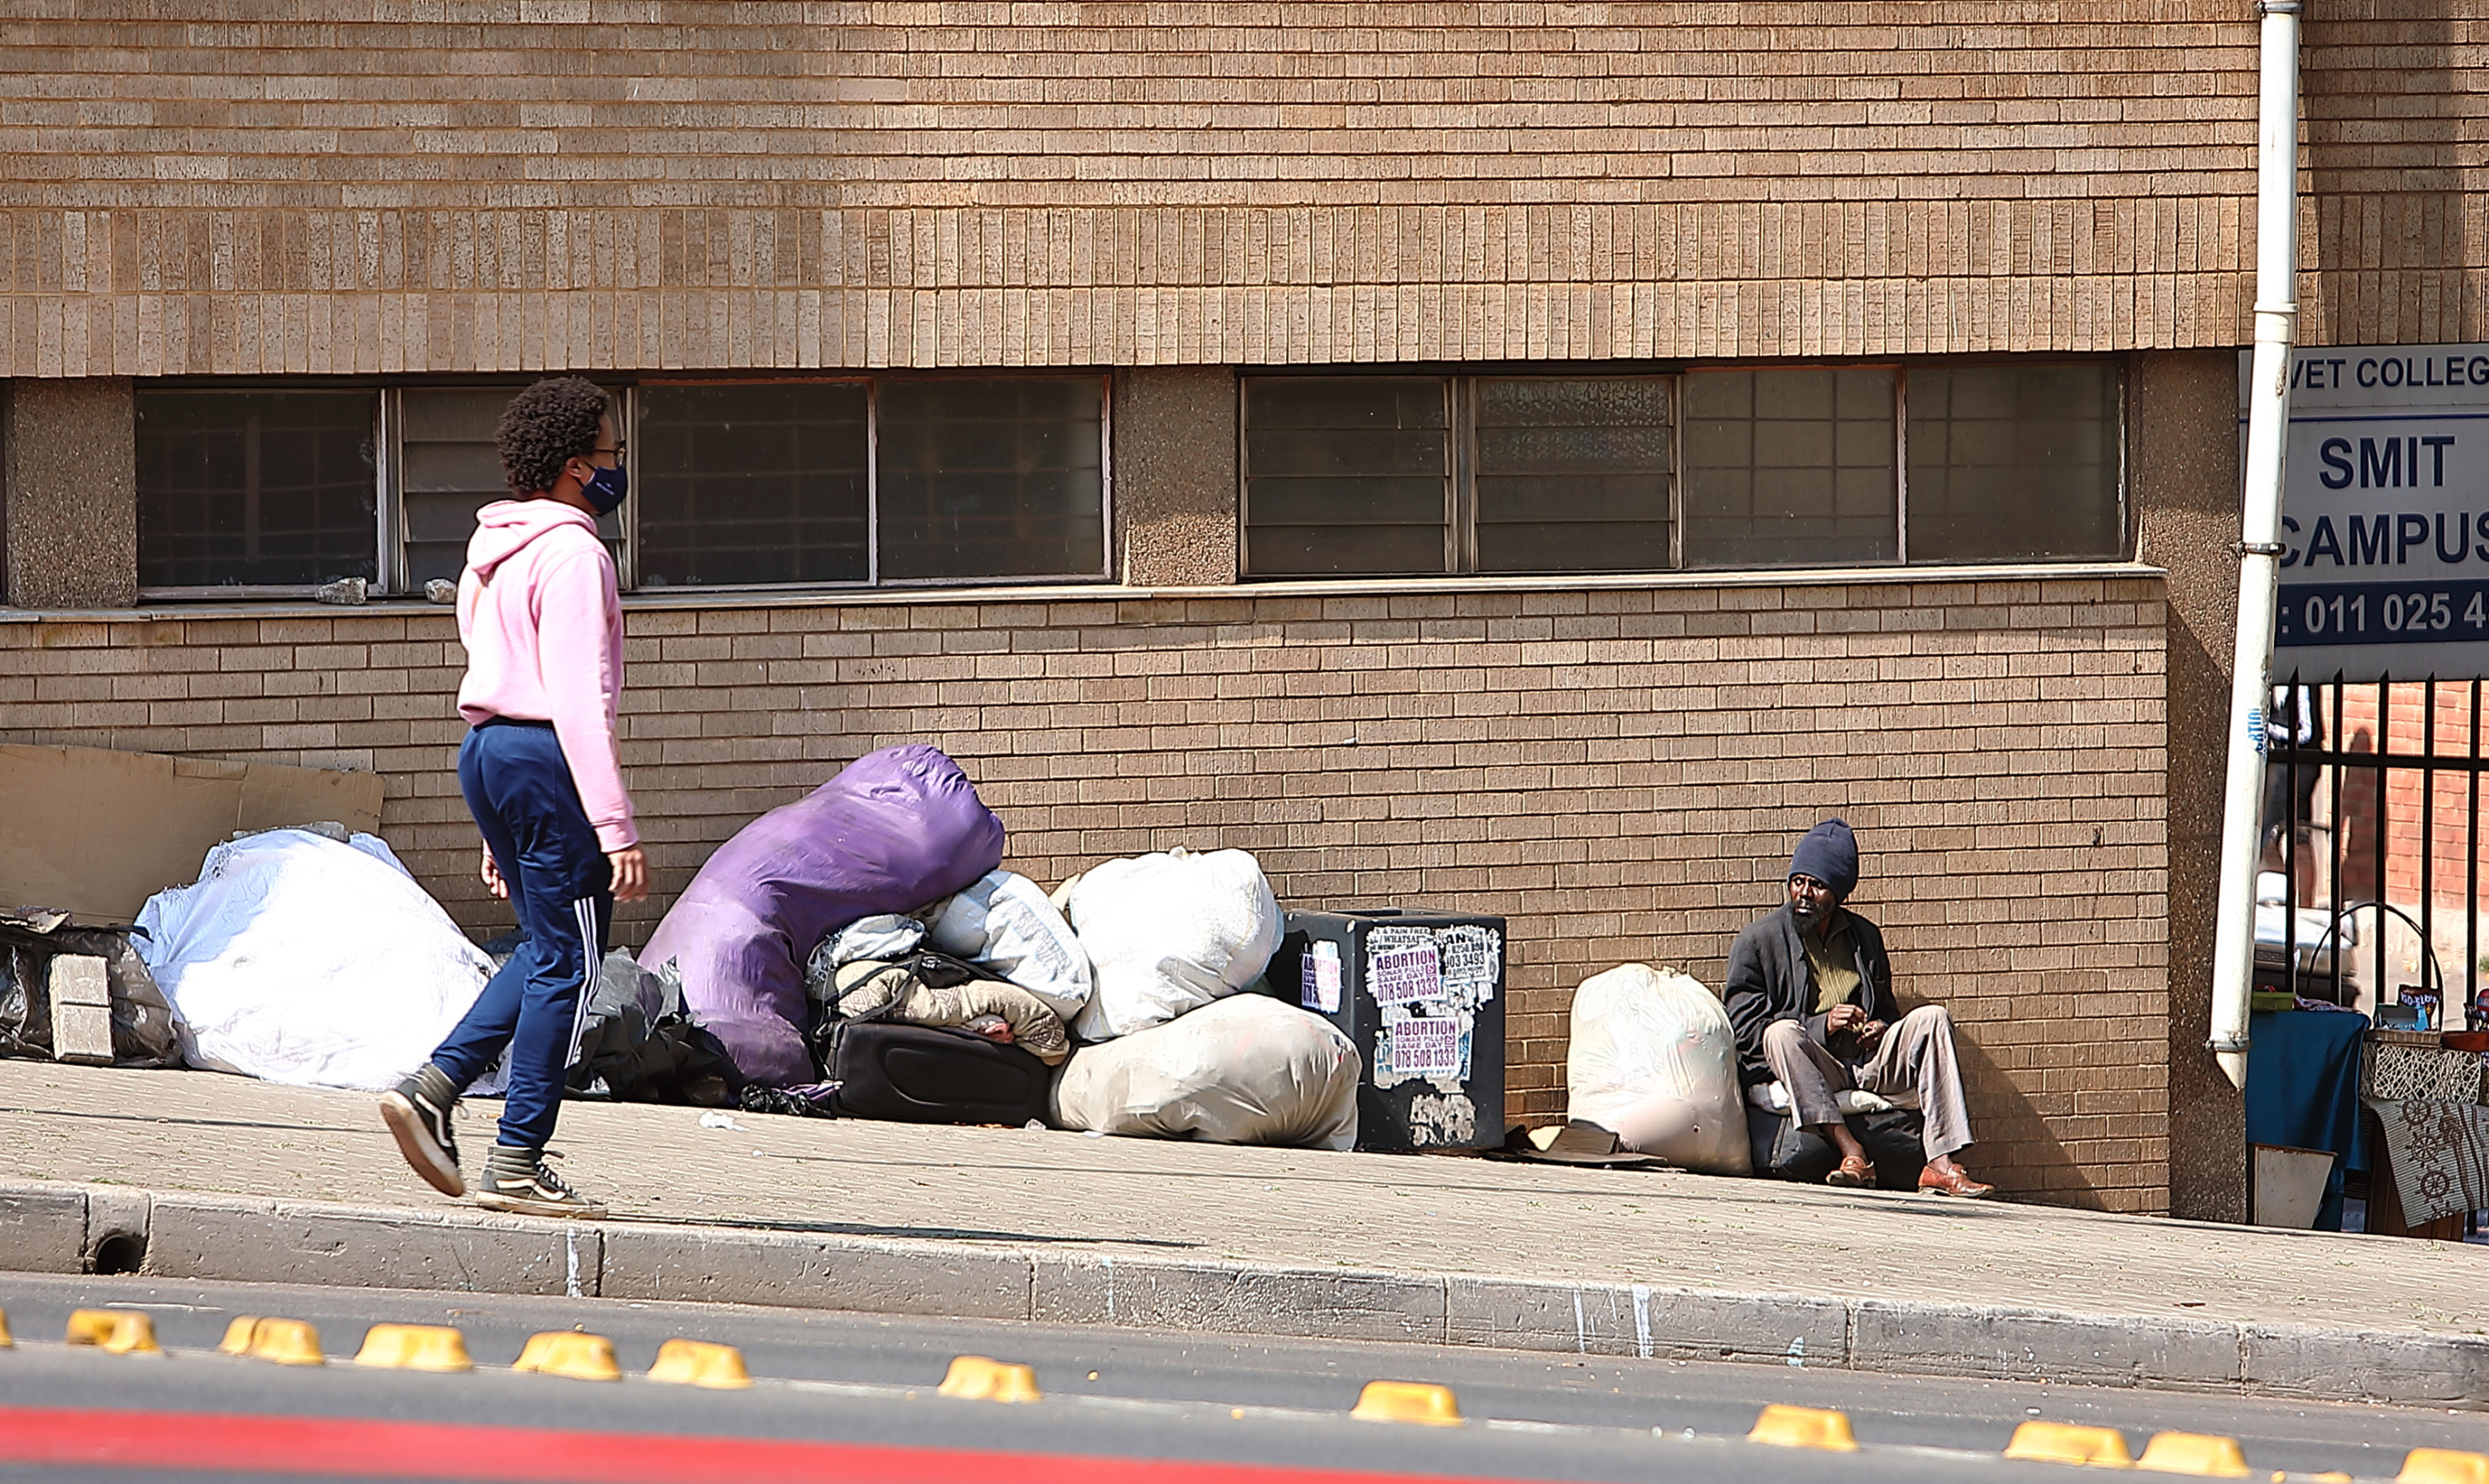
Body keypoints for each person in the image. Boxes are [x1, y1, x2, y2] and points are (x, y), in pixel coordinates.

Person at [381, 377, 645, 1219]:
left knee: (545, 943)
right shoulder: (574, 555)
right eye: (610, 453)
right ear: (574, 467)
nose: (617, 467)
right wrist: (614, 824)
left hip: (490, 752)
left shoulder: (492, 554)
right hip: (544, 752)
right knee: (573, 957)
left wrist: (506, 829)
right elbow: (574, 695)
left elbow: (491, 668)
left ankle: (434, 1087)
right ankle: (519, 1156)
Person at [1722, 820, 1993, 1198]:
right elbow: (1746, 1032)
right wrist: (1822, 1026)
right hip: (1814, 1064)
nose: (1804, 893)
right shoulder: (1758, 941)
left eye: (1817, 886)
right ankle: (1852, 1153)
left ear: (1839, 893)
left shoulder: (1864, 937)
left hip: (1867, 1062)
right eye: (1798, 881)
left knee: (1932, 1018)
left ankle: (1941, 1163)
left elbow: (1887, 1010)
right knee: (1780, 1033)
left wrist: (1881, 1026)